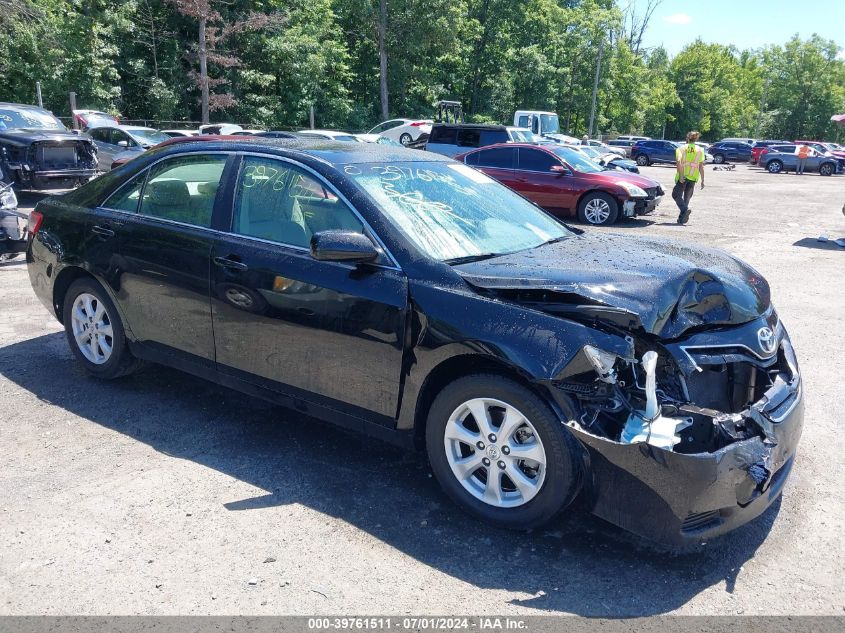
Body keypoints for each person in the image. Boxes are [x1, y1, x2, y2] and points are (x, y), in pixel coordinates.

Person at [673, 131, 705, 225]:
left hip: (683, 177)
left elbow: (678, 161)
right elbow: (701, 166)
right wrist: (703, 180)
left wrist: (681, 175)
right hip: (693, 178)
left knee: (675, 195)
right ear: (696, 139)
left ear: (687, 138)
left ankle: (684, 210)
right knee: (686, 198)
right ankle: (681, 219)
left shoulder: (681, 149)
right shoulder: (700, 150)